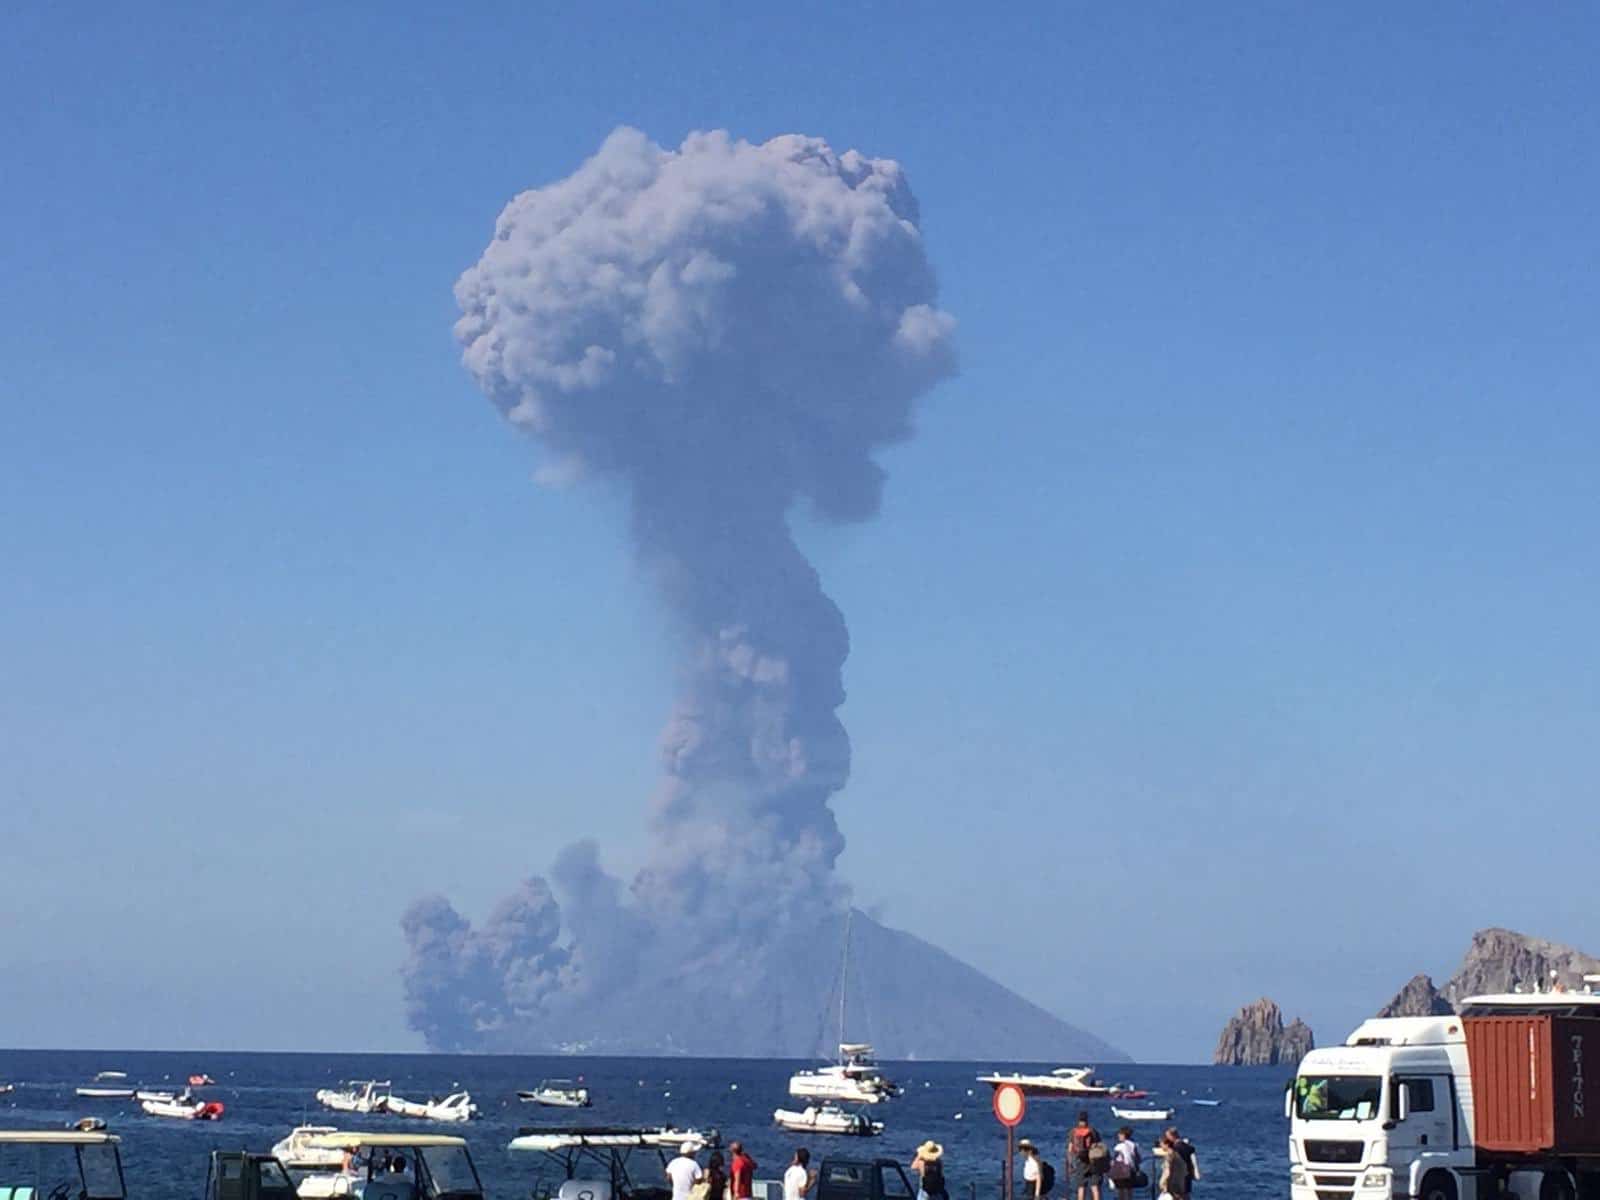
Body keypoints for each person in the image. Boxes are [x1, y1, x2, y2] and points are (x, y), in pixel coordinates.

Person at [1066, 1111, 1105, 1200]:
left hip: (1080, 1161)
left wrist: (1070, 1164)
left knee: (1081, 1187)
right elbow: (1099, 1146)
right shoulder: (1092, 1131)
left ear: (1078, 1120)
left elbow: (1070, 1149)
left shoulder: (1073, 1132)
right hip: (1093, 1161)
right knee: (1095, 1187)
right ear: (1087, 1120)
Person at [1154, 1130, 1188, 1200]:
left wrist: (1162, 1182)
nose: (1160, 1145)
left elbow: (1168, 1171)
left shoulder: (1169, 1156)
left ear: (1167, 1144)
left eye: (1161, 1144)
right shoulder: (1177, 1155)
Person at [1109, 1127, 1140, 1200]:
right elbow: (1138, 1158)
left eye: (1120, 1134)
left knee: (1121, 1192)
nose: (1118, 1136)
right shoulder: (1134, 1144)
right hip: (1131, 1170)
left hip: (1121, 1171)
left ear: (1124, 1135)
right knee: (1129, 1191)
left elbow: (1114, 1159)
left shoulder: (1119, 1146)